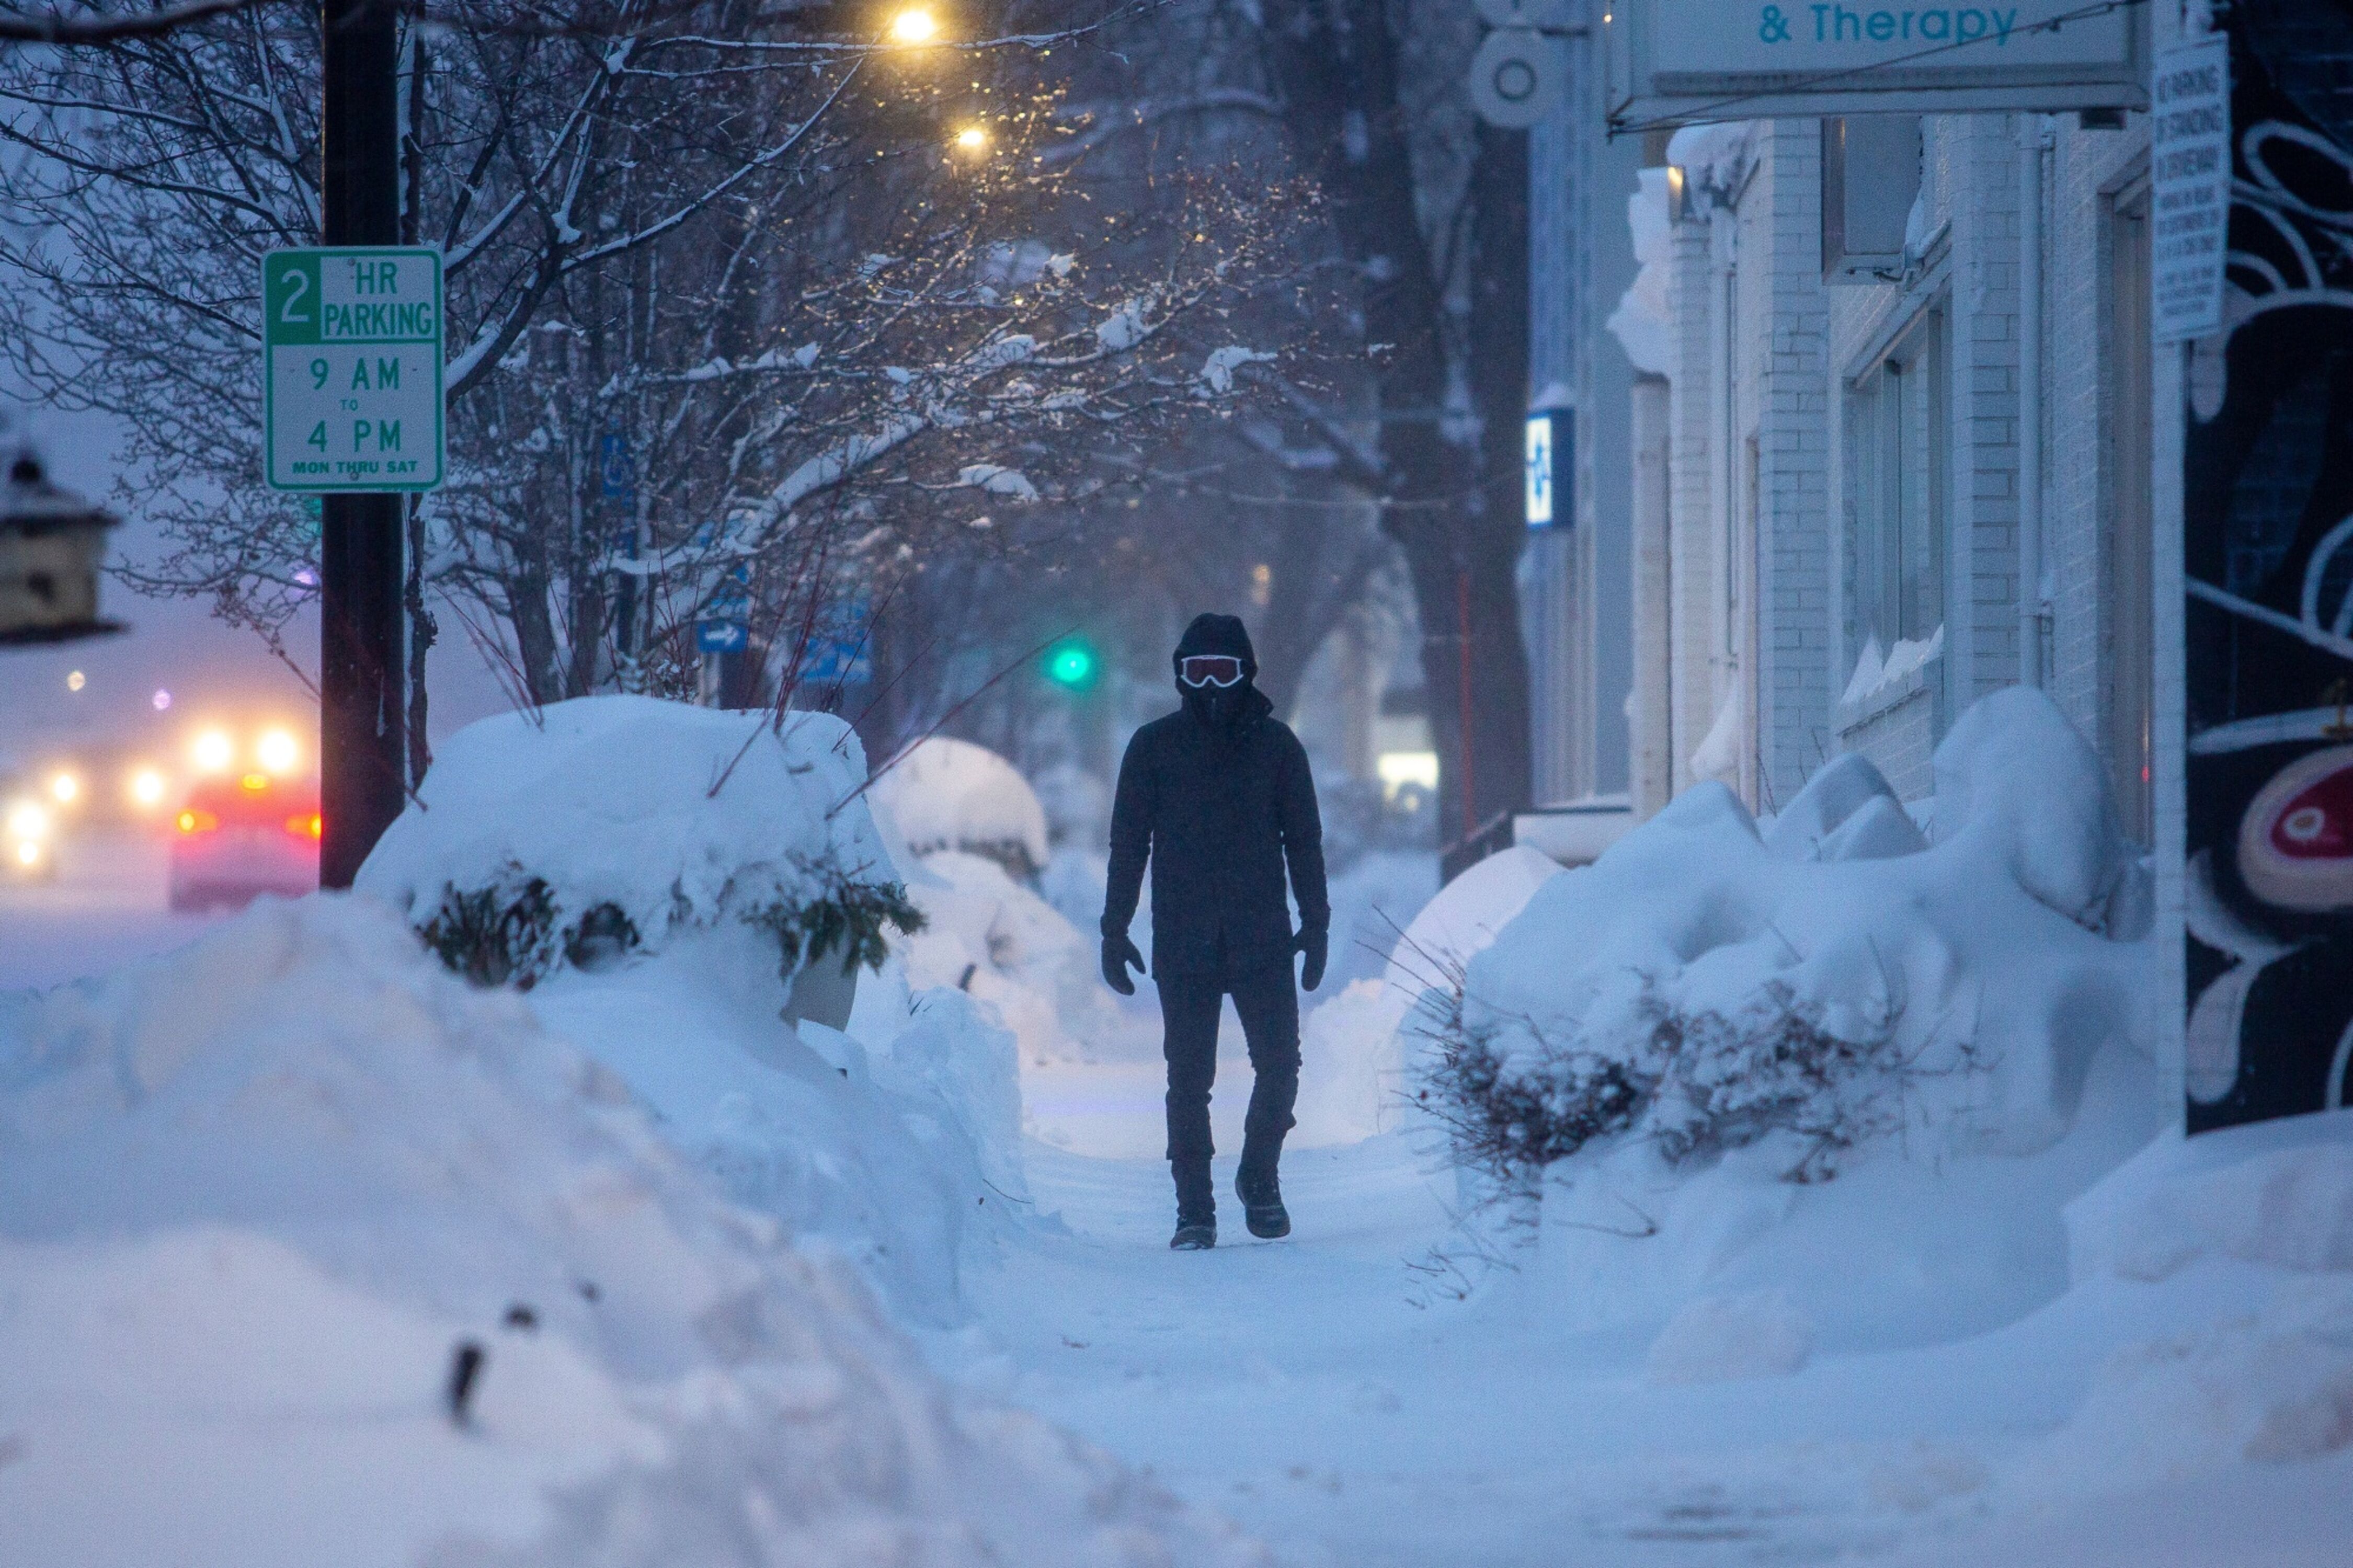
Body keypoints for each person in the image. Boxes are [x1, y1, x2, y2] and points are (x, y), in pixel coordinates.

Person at [1100, 613, 1329, 1250]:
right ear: (1179, 675)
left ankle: (1260, 1178)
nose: (1209, 687)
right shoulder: (1152, 747)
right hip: (1183, 938)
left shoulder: (1279, 748)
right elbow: (1128, 845)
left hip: (1263, 937)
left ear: (1246, 673)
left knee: (1280, 1063)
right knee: (1188, 1079)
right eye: (1195, 672)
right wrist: (1114, 927)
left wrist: (1317, 921)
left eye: (1222, 672)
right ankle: (1193, 1209)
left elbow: (1304, 842)